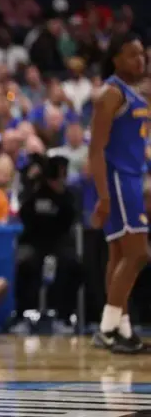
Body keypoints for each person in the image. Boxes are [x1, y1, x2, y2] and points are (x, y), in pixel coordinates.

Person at [90, 33, 148, 354]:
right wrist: (103, 195)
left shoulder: (134, 93)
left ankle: (122, 330)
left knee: (119, 256)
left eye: (142, 55)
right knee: (140, 254)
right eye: (131, 55)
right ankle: (107, 328)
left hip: (131, 178)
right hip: (117, 181)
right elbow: (95, 150)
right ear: (115, 58)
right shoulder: (110, 94)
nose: (139, 60)